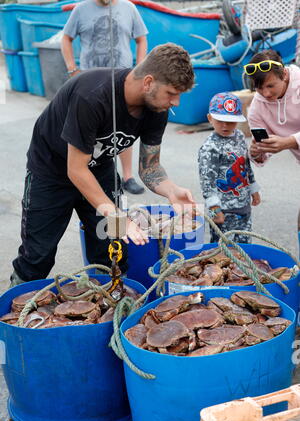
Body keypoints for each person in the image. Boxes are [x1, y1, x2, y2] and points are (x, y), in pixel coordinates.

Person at [10, 43, 195, 286]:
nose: (176, 103)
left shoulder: (156, 108)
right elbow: (75, 169)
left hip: (100, 171)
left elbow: (150, 168)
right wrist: (117, 216)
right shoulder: (92, 95)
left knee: (112, 249)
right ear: (148, 82)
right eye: (172, 93)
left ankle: (111, 307)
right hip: (51, 171)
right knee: (38, 255)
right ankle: (13, 313)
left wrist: (171, 190)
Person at [61, 0, 148, 194]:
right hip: (89, 86)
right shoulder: (80, 9)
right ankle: (86, 173)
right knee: (88, 130)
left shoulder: (129, 8)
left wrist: (140, 68)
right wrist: (72, 69)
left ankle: (128, 177)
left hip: (124, 82)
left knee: (123, 128)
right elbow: (66, 38)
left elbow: (141, 38)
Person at [245, 49, 300, 253]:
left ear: (284, 75)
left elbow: (286, 142)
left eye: (271, 86)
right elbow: (263, 150)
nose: (266, 93)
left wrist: (289, 141)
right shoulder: (258, 107)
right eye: (260, 89)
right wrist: (257, 151)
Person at [198, 92, 261, 244]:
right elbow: (207, 181)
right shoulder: (210, 147)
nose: (225, 126)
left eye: (230, 122)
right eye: (220, 121)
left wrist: (254, 189)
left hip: (243, 204)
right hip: (223, 209)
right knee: (223, 248)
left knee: (244, 245)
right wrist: (214, 208)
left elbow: (245, 164)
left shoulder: (239, 136)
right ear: (210, 118)